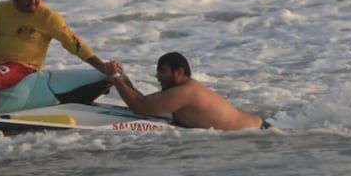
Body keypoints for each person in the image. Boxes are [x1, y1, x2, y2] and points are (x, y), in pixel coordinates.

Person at [105, 52, 269, 130]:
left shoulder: (185, 92)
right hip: (257, 129)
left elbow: (140, 106)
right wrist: (124, 80)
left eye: (162, 71)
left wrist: (114, 76)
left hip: (258, 133)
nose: (157, 76)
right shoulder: (183, 89)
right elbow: (148, 104)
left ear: (179, 73)